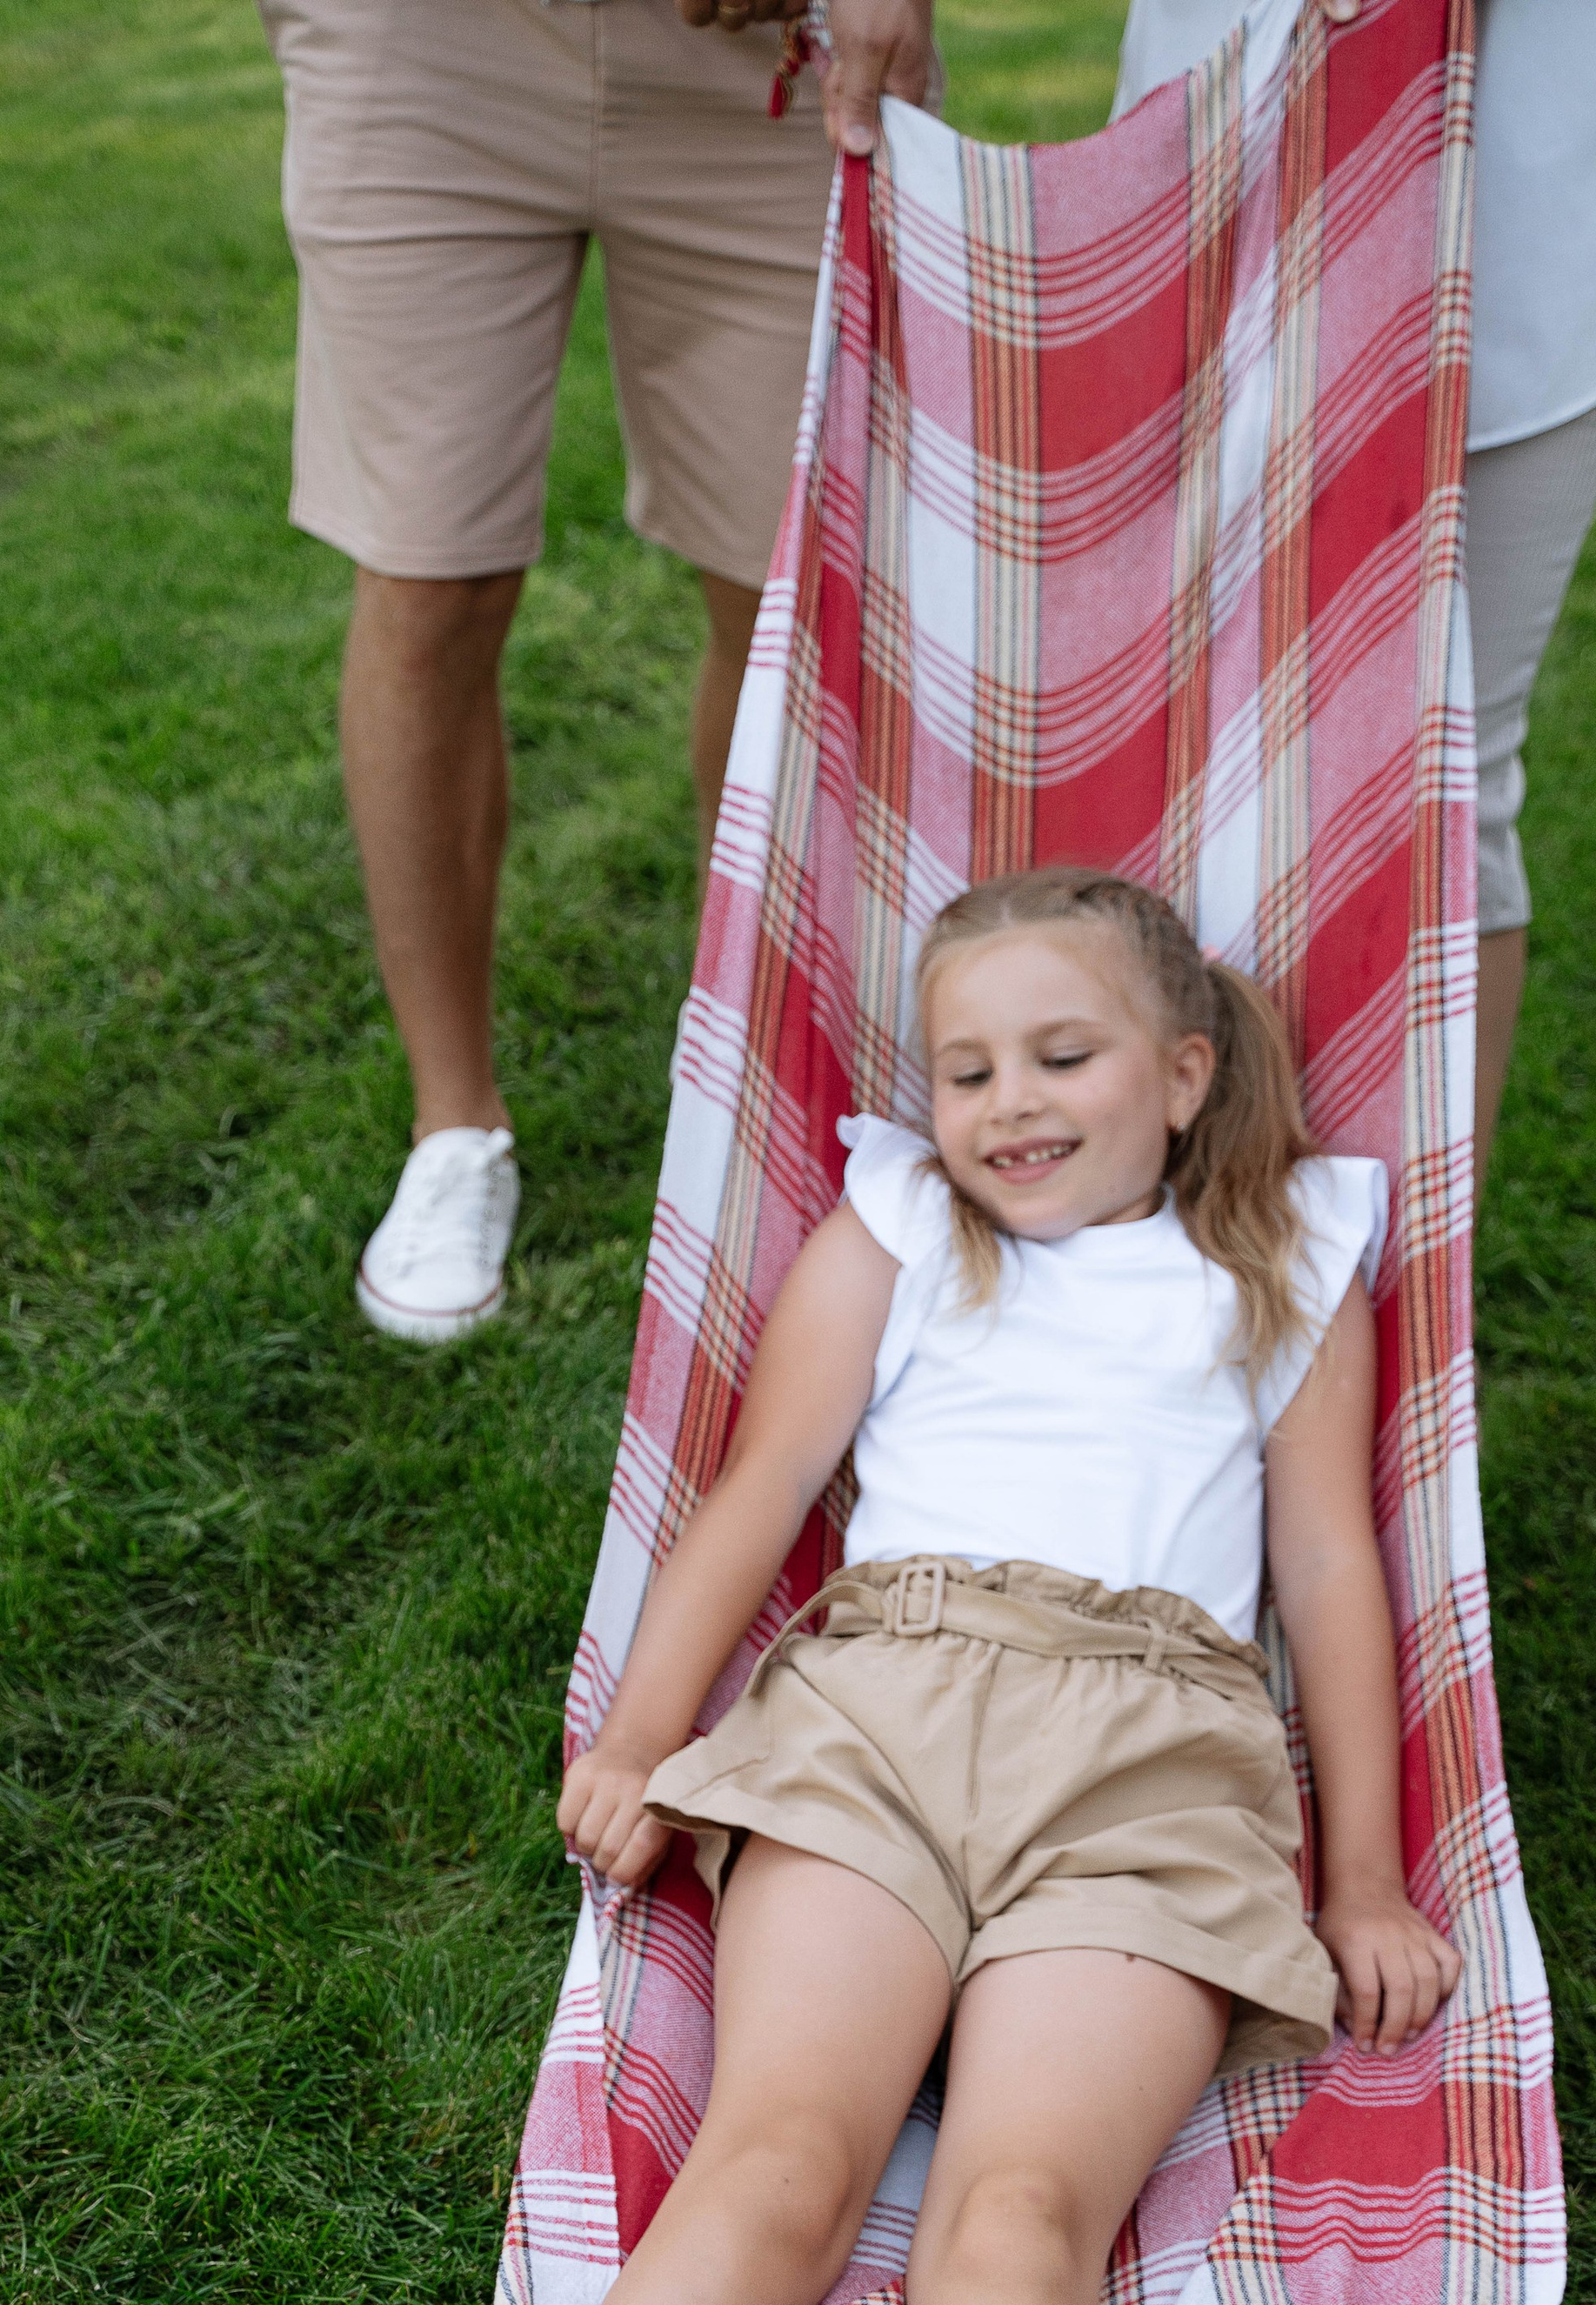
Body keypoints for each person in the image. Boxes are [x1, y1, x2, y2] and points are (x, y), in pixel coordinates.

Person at [458, 867, 1460, 2305]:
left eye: (1063, 1056)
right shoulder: (905, 1225)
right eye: (968, 1065)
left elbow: (1336, 1573)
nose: (1006, 1103)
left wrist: (1357, 1868)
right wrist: (643, 1734)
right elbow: (755, 1486)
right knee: (777, 2160)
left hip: (1158, 1760)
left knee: (1016, 2228)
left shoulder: (1284, 1255)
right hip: (882, 1702)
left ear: (1184, 1077)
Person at [255, 0, 938, 1344]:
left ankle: (772, 1093)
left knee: (793, 586)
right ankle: (455, 1128)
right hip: (425, 50)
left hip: (768, 53)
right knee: (430, 575)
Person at [1118, 0, 1596, 1188]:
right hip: (1227, 140)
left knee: (1443, 775)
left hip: (1538, 197)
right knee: (1191, 749)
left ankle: (1412, 1303)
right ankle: (1175, 1257)